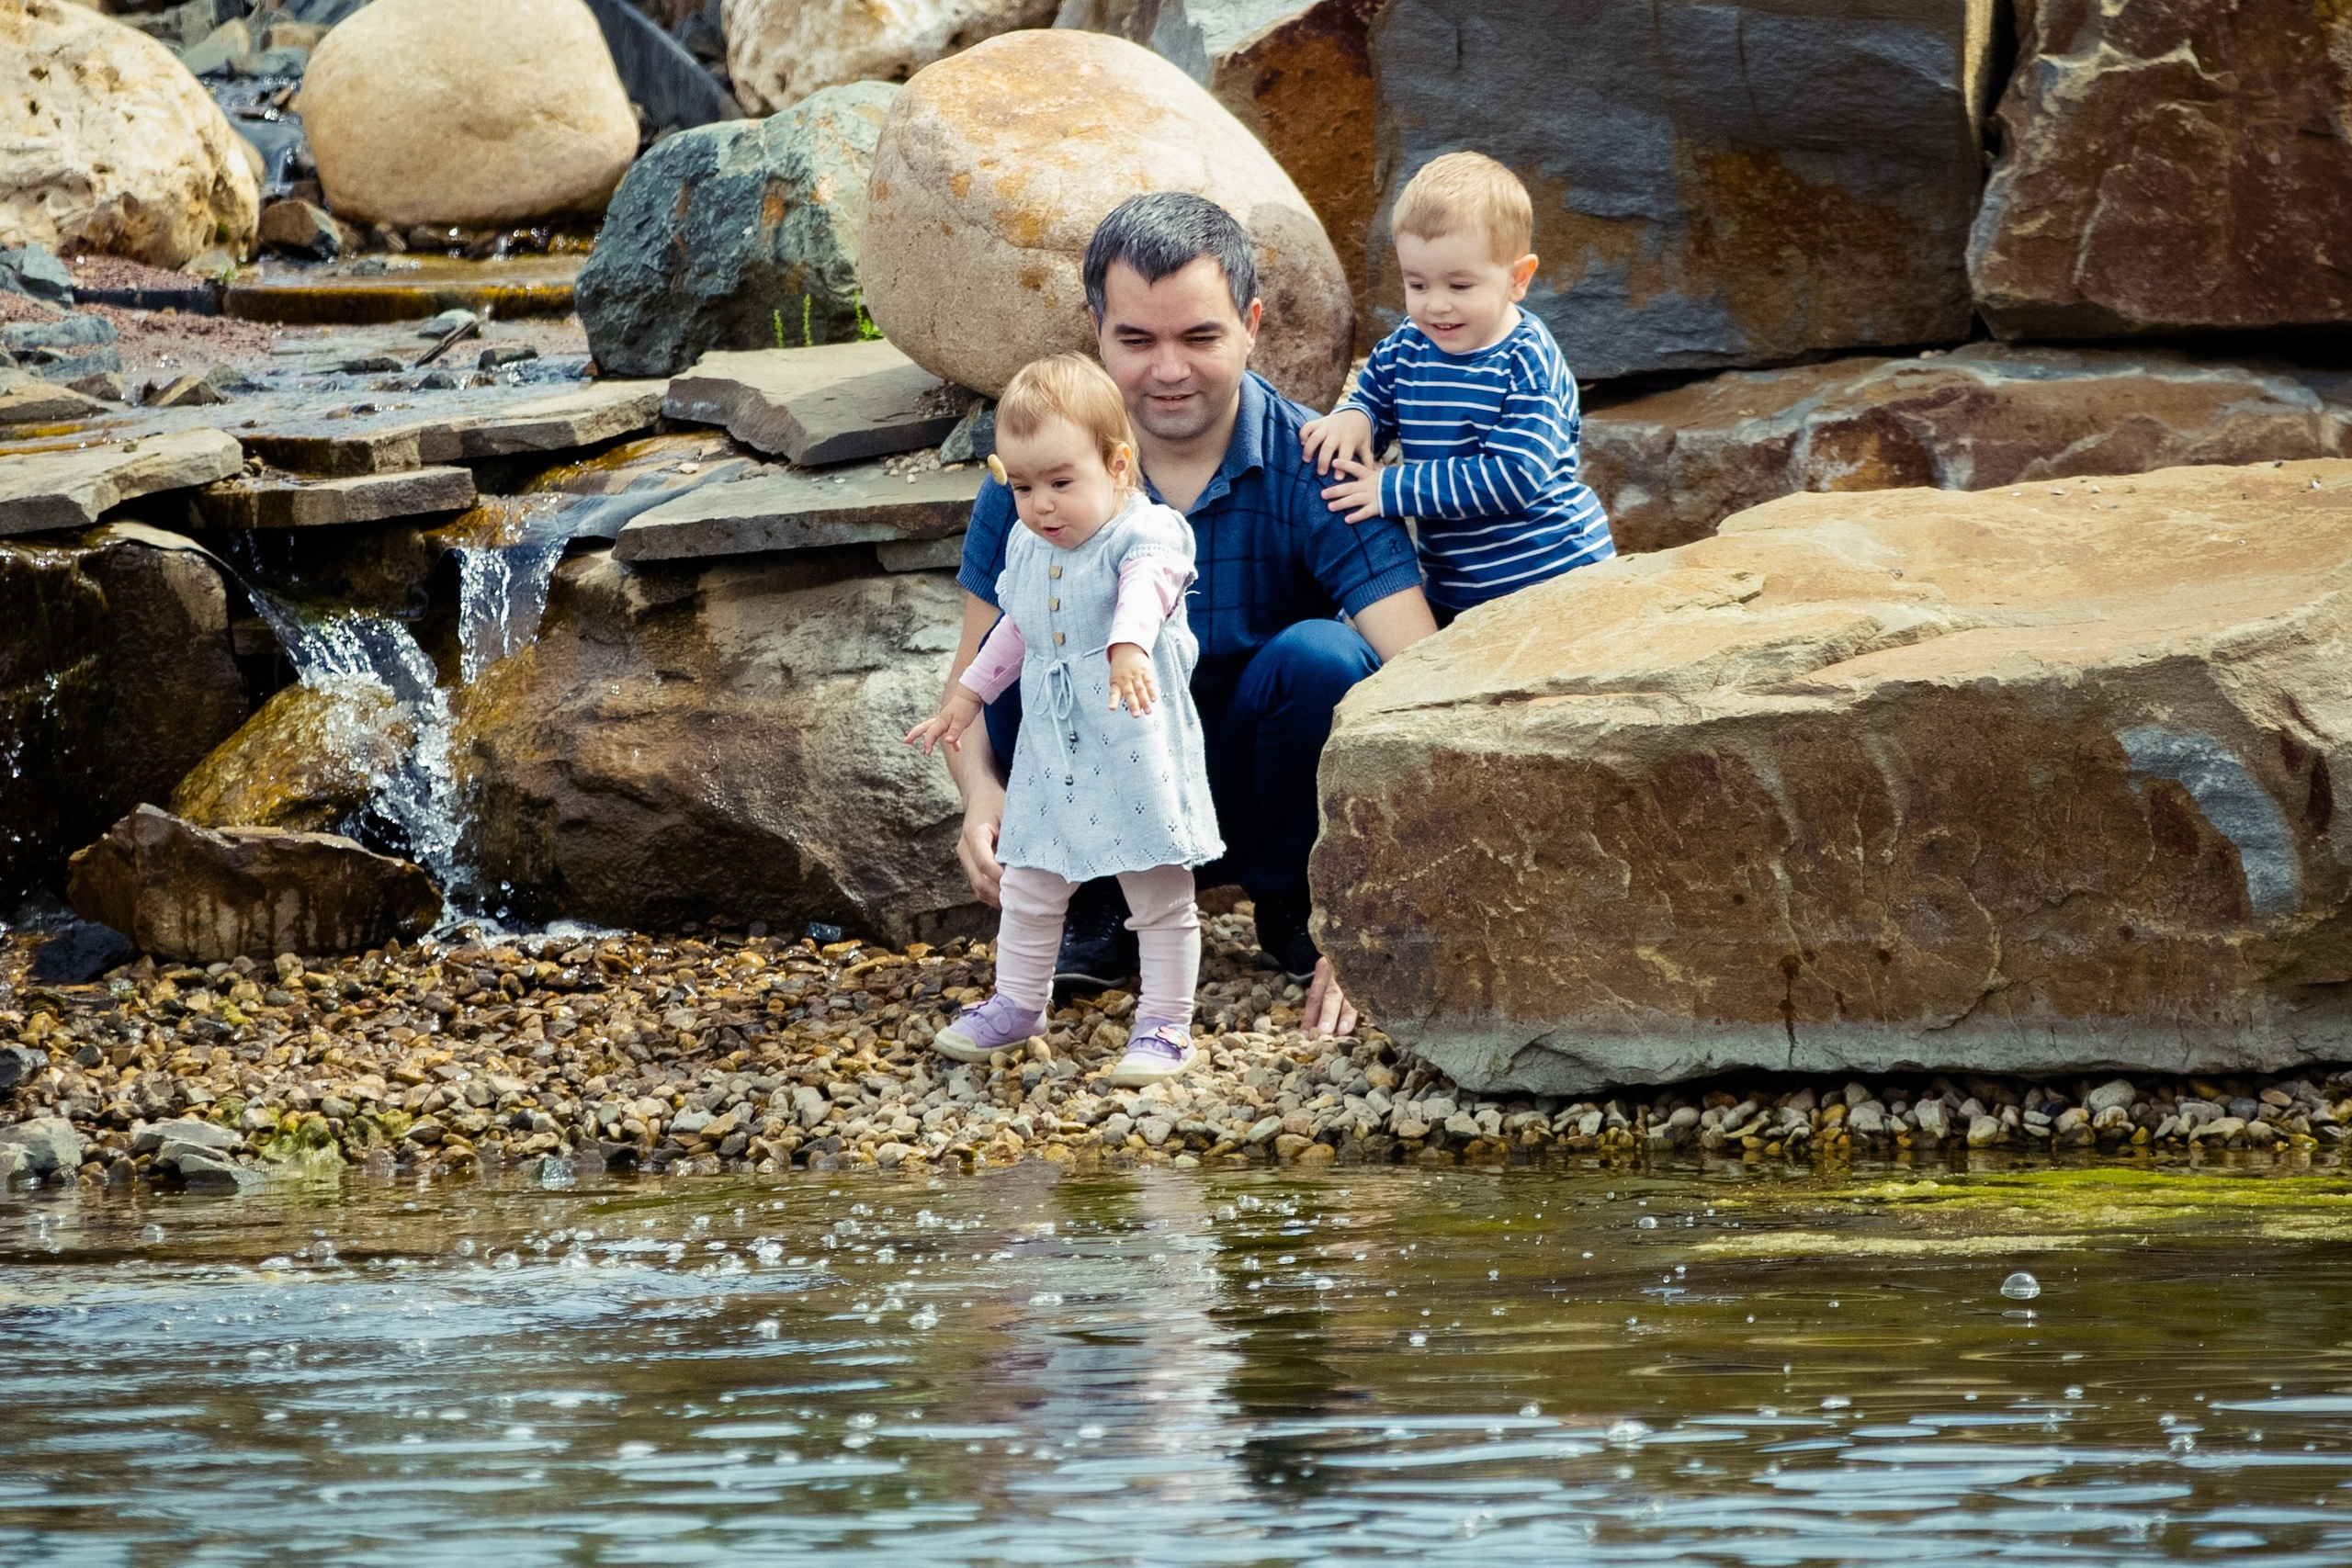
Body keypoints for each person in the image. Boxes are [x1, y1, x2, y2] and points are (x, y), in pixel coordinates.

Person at [938, 192, 1439, 1039]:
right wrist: (980, 793)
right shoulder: (1032, 480)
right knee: (1028, 648)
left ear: (1249, 324)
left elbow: (1425, 681)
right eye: (1136, 339)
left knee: (1326, 659)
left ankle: (1294, 907)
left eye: (1199, 337)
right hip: (1103, 781)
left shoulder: (1317, 463)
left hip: (1252, 783)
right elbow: (972, 674)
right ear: (1096, 330)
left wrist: (1374, 910)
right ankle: (1096, 907)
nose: (1168, 369)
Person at [908, 355, 1221, 1087]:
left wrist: (1127, 644)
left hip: (1136, 739)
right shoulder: (1030, 543)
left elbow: (1148, 588)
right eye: (1021, 486)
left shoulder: (1147, 533)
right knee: (1032, 880)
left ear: (1117, 466)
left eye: (1059, 482)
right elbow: (1014, 628)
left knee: (1157, 889)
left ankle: (1167, 1023)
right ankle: (1018, 1001)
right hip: (1059, 746)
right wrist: (968, 697)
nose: (1040, 505)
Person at [1301, 151, 1612, 624]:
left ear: (1517, 279)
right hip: (1459, 589)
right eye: (1418, 284)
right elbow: (1374, 402)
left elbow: (1514, 477)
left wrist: (1391, 488)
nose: (1436, 306)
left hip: (1554, 575)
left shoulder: (1527, 360)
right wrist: (1355, 418)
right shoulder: (1408, 346)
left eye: (1460, 286)